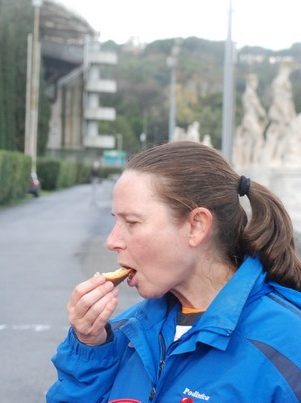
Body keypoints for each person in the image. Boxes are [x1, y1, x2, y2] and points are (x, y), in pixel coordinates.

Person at [47, 141, 301, 402]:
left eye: (132, 222)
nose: (112, 241)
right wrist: (89, 349)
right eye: (115, 220)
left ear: (197, 226)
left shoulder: (289, 345)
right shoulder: (123, 333)